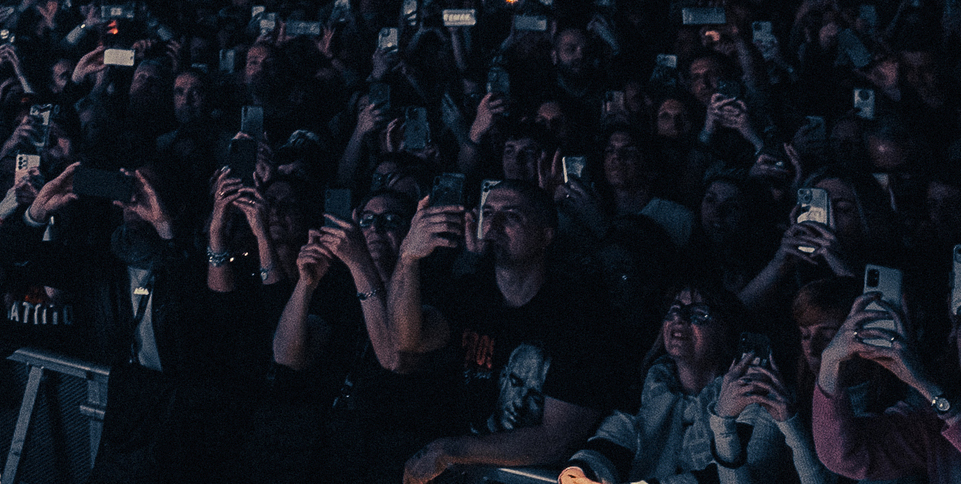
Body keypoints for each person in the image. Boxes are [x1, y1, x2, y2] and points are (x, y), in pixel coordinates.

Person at [396, 179, 635, 483]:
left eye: (511, 216)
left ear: (546, 235)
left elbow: (557, 439)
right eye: (487, 213)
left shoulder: (578, 313)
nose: (493, 225)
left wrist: (449, 449)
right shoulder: (472, 292)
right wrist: (407, 258)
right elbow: (407, 341)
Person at [564, 274, 798, 484]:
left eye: (698, 314)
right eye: (674, 310)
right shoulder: (650, 391)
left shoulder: (753, 395)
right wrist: (582, 470)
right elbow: (614, 438)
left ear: (726, 330)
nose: (679, 319)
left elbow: (743, 474)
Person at [808, 287, 961, 482]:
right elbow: (846, 457)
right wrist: (831, 362)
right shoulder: (930, 420)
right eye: (959, 323)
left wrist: (932, 392)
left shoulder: (938, 403)